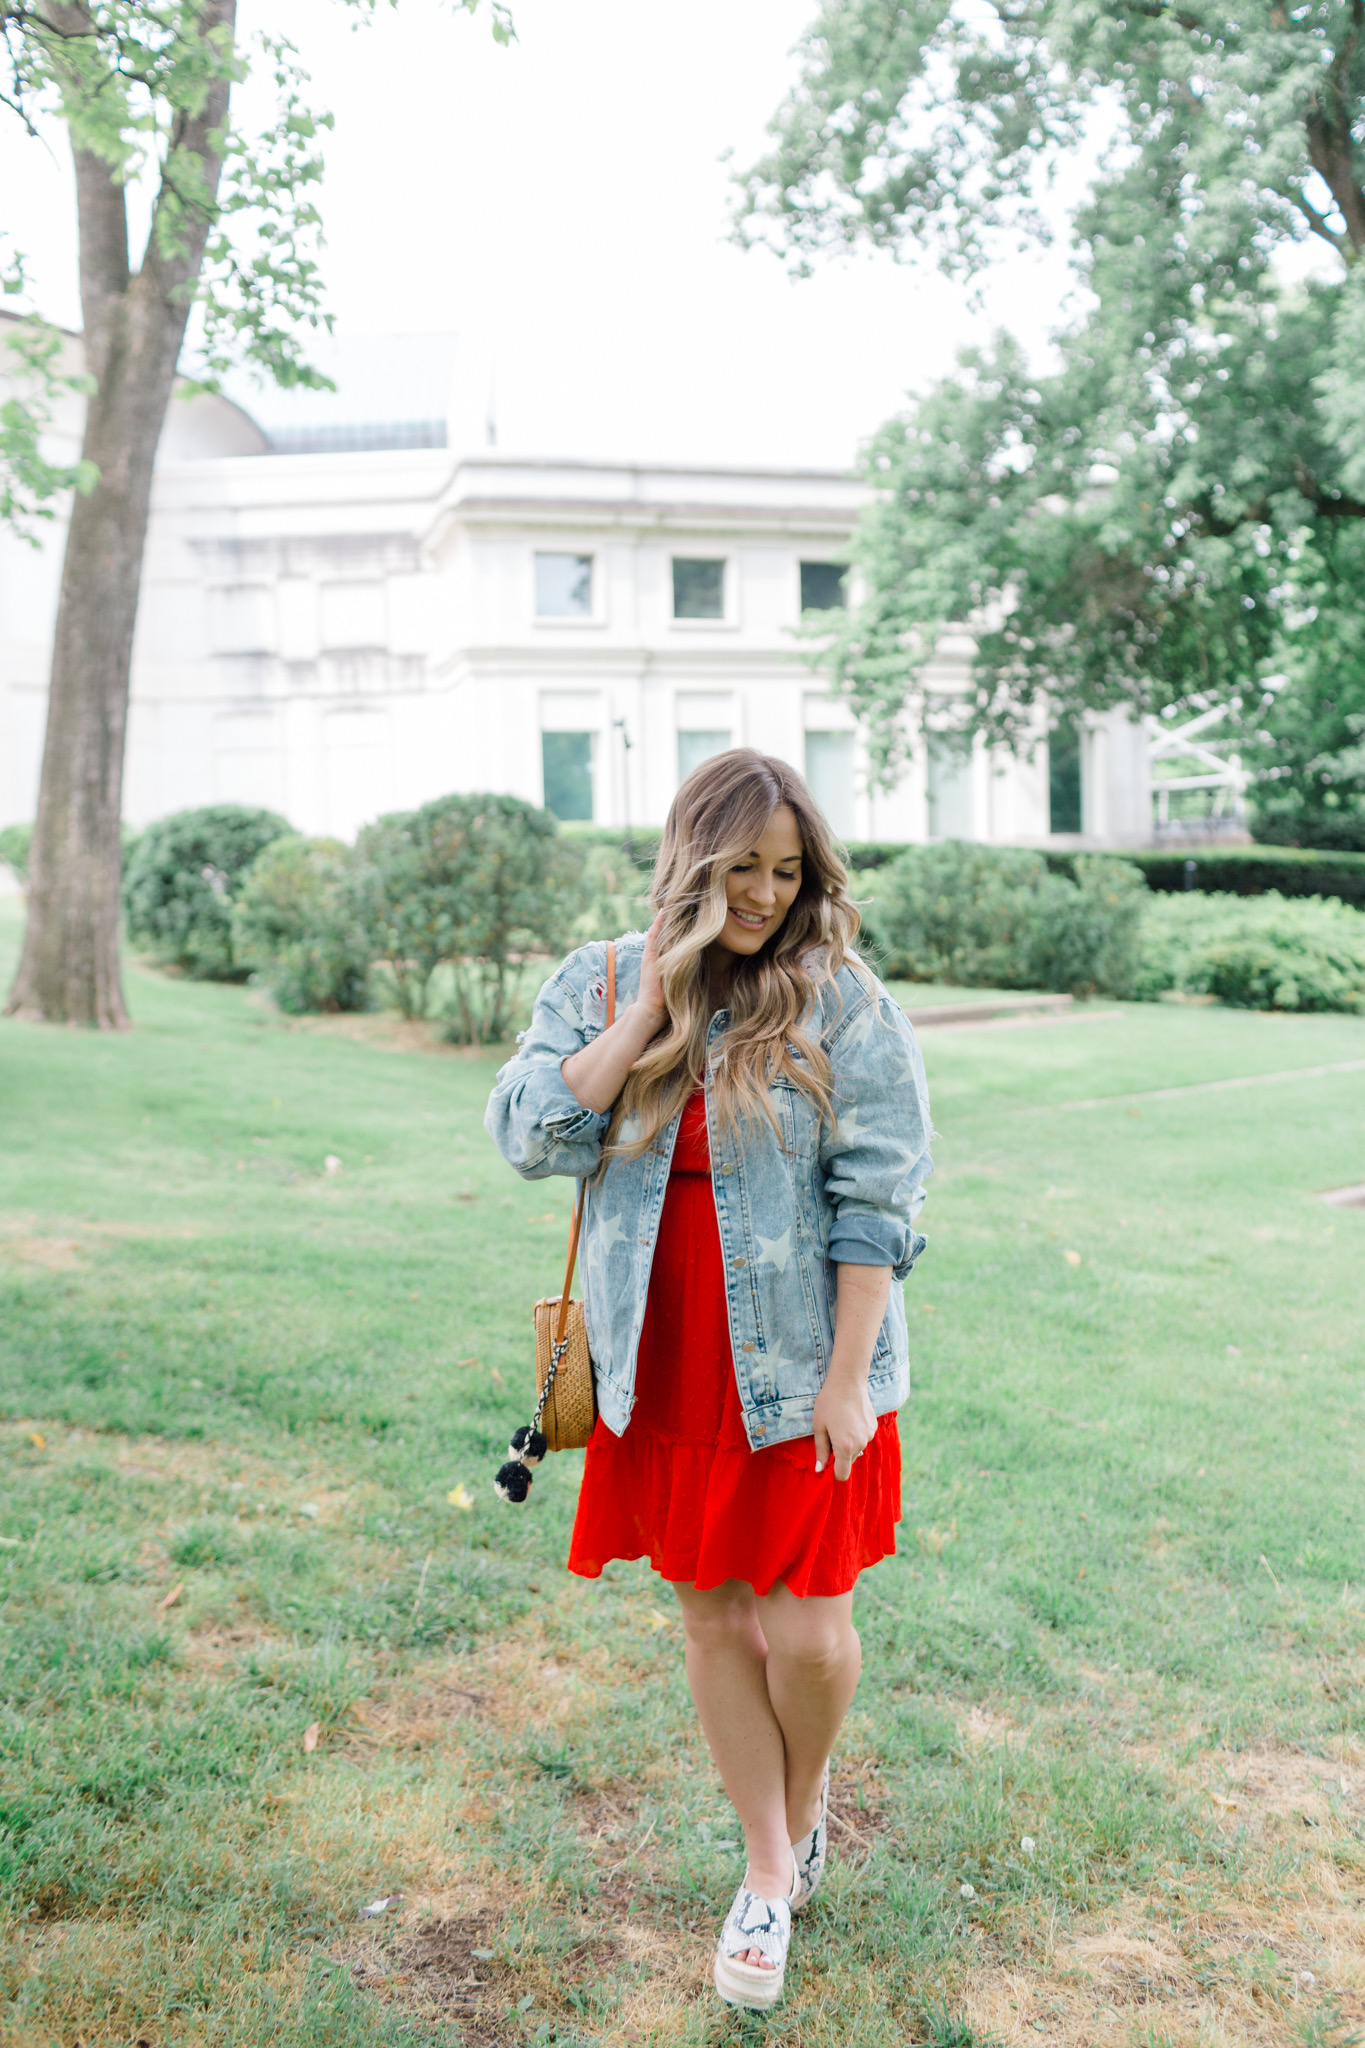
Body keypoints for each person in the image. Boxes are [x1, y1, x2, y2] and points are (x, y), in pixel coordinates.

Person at [485, 749, 932, 2011]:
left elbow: (881, 1196)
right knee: (709, 1616)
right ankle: (766, 1869)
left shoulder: (838, 995)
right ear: (693, 859)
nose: (768, 895)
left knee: (808, 1630)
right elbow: (532, 1132)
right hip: (660, 1359)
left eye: (788, 872)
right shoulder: (604, 979)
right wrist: (651, 1005)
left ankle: (795, 1809)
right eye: (745, 868)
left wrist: (850, 1379)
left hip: (802, 1372)